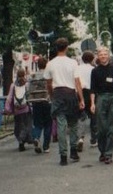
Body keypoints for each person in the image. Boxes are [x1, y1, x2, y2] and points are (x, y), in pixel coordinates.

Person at [45, 37, 84, 166]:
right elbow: (77, 82)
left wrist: (52, 96)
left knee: (61, 126)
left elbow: (48, 83)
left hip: (58, 94)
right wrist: (81, 99)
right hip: (71, 94)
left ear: (56, 48)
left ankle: (63, 155)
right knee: (73, 124)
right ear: (67, 47)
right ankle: (73, 150)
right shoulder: (73, 63)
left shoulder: (50, 63)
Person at [90, 47, 113, 164]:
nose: (103, 56)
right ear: (98, 56)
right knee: (101, 128)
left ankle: (108, 154)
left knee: (111, 127)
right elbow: (92, 88)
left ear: (108, 56)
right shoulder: (95, 71)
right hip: (101, 97)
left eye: (105, 54)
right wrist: (92, 103)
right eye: (101, 54)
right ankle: (102, 151)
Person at [5, 68, 35, 153]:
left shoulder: (13, 85)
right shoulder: (27, 84)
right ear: (24, 74)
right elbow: (30, 96)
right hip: (26, 109)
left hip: (17, 110)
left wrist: (7, 108)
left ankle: (20, 140)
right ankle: (24, 140)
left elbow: (9, 98)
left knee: (18, 126)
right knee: (27, 125)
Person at [28, 57, 52, 154]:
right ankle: (46, 146)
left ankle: (36, 137)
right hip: (47, 101)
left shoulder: (33, 76)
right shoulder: (49, 75)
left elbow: (29, 89)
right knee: (48, 124)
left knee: (37, 123)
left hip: (36, 101)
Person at [75, 51, 97, 152]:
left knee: (81, 116)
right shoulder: (94, 69)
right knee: (93, 116)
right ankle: (93, 139)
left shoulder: (77, 68)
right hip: (91, 92)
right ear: (92, 59)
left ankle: (80, 137)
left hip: (80, 93)